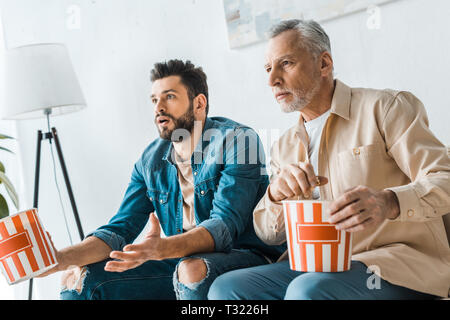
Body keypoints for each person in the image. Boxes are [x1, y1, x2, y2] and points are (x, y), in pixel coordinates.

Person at [208, 19, 450, 300]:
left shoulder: (386, 108)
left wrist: (389, 202)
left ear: (324, 64)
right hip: (318, 266)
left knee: (307, 290)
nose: (272, 79)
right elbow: (268, 234)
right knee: (226, 289)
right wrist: (275, 196)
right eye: (268, 68)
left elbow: (444, 178)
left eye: (285, 64)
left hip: (393, 265)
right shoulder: (285, 145)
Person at [41, 59, 285, 300]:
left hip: (245, 256)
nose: (159, 107)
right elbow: (118, 231)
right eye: (154, 100)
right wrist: (59, 258)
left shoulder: (237, 140)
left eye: (169, 97)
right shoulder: (150, 160)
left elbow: (223, 228)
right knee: (77, 279)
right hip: (179, 260)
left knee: (191, 269)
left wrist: (161, 249)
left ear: (199, 103)